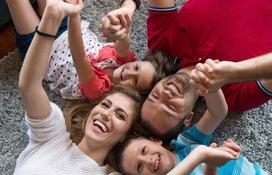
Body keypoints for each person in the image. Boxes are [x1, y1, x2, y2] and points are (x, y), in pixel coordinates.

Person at [0, 1, 239, 175]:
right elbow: (29, 86)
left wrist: (197, 157)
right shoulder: (53, 136)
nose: (106, 113)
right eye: (106, 105)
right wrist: (51, 16)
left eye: (120, 115)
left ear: (126, 135)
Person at [101, 0, 272, 136]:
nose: (167, 94)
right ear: (188, 118)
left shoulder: (162, 44)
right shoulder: (235, 98)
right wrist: (235, 72)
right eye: (171, 107)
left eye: (155, 96)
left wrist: (128, 7)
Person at [109, 90, 272, 175]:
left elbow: (218, 112)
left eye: (144, 150)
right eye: (140, 166)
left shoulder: (184, 143)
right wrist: (210, 172)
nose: (148, 159)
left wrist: (211, 87)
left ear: (155, 141)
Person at [6, 0, 174, 100]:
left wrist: (75, 14)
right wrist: (122, 26)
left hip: (41, 49)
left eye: (134, 81)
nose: (129, 72)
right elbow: (123, 40)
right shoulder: (125, 61)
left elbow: (79, 57)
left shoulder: (99, 91)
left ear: (133, 94)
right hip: (66, 26)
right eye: (136, 68)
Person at [189, 46, 272, 95]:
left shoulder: (172, 41)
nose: (170, 94)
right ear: (188, 118)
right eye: (172, 108)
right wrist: (231, 73)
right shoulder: (233, 95)